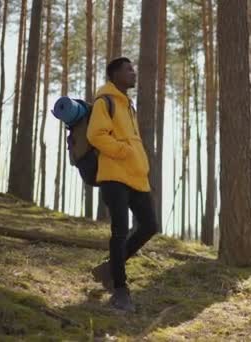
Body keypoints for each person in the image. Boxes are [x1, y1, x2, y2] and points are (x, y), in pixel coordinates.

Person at [87, 57, 158, 312]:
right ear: (115, 74)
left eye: (134, 69)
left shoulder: (128, 105)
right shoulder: (104, 101)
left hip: (136, 176)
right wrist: (124, 151)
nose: (133, 73)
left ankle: (109, 268)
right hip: (114, 175)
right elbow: (95, 135)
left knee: (150, 225)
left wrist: (137, 158)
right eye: (128, 69)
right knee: (120, 230)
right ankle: (119, 289)